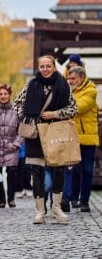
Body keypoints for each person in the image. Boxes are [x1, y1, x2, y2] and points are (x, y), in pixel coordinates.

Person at [14, 55, 77, 224]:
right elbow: (17, 104)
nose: (45, 69)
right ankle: (40, 212)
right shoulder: (31, 85)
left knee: (58, 171)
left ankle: (56, 208)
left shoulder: (63, 85)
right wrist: (28, 117)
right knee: (37, 173)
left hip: (56, 132)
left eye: (48, 66)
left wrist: (54, 114)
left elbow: (73, 108)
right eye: (42, 66)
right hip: (35, 134)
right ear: (39, 68)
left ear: (54, 67)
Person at [63, 66, 99, 213]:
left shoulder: (91, 91)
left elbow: (78, 108)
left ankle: (84, 201)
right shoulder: (68, 91)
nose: (70, 81)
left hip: (87, 138)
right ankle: (68, 198)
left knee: (87, 171)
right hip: (72, 138)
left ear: (82, 78)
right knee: (69, 169)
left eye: (73, 79)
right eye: (69, 79)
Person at [0, 84, 23, 208]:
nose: (3, 96)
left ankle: (11, 198)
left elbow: (22, 129)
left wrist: (17, 143)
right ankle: (1, 200)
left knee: (12, 172)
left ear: (9, 95)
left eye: (5, 94)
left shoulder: (16, 110)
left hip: (11, 146)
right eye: (1, 94)